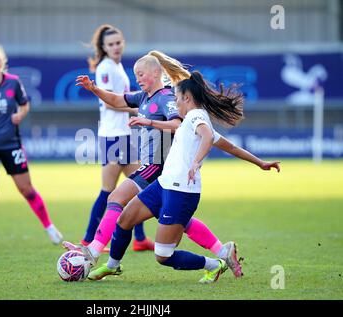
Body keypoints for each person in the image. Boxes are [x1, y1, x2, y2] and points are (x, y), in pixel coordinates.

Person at [65, 51, 280, 278]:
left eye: (141, 74)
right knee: (152, 219)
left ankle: (94, 251)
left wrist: (150, 123)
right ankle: (222, 251)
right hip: (166, 175)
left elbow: (179, 124)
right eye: (135, 74)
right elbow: (118, 100)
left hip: (157, 165)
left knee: (118, 201)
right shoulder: (146, 98)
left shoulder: (169, 100)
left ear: (157, 73)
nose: (137, 78)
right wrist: (94, 89)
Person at [0, 42, 63, 248]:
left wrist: (20, 114)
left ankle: (50, 228)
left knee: (26, 189)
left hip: (12, 145)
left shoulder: (14, 83)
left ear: (2, 63)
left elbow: (25, 104)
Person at [80, 25, 154, 251]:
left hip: (122, 135)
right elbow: (109, 102)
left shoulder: (116, 66)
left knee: (140, 184)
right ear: (103, 47)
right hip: (114, 136)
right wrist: (140, 110)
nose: (115, 47)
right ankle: (87, 239)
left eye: (118, 42)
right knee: (108, 191)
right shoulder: (105, 68)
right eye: (110, 44)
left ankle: (140, 239)